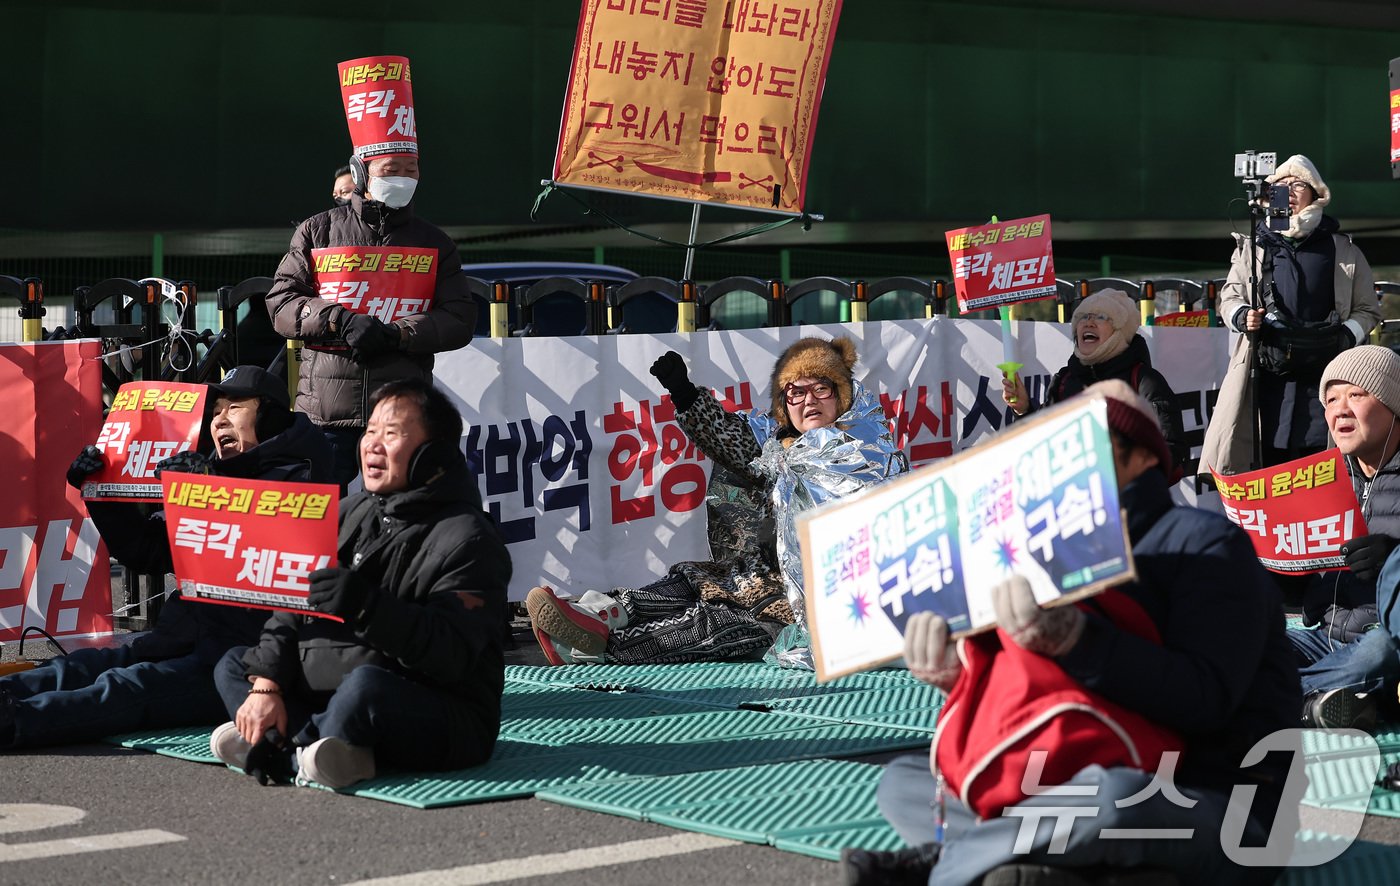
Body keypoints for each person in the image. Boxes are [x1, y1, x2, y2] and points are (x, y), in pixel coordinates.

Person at [847, 379, 1302, 886]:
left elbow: (1206, 698)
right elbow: (1043, 703)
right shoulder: (1033, 554)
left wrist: (1073, 640)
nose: (1064, 471)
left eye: (1084, 449)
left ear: (1145, 458)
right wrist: (960, 675)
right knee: (902, 784)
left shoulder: (1206, 544)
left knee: (1111, 802)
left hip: (1213, 795)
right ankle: (1059, 864)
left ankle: (948, 867)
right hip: (1069, 779)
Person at [0, 366, 332, 750]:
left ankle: (12, 722)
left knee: (125, 688)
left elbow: (264, 556)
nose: (219, 420)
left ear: (270, 417)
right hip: (183, 634)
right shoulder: (212, 468)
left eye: (234, 408)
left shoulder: (306, 482)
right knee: (86, 667)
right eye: (216, 411)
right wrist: (100, 493)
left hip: (240, 657)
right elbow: (147, 552)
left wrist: (207, 492)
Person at [526, 336, 909, 668]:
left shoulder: (867, 449)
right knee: (691, 580)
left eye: (821, 388)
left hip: (813, 603)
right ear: (784, 403)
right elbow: (736, 442)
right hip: (762, 572)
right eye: (795, 390)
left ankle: (596, 648)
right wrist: (686, 395)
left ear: (841, 395)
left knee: (719, 624)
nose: (808, 400)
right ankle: (594, 614)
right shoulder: (780, 445)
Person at [210, 378, 511, 789]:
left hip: (436, 708)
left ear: (432, 452)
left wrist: (368, 607)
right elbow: (290, 608)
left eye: (392, 434)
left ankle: (281, 747)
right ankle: (327, 750)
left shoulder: (470, 538)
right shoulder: (347, 511)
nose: (372, 444)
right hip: (337, 679)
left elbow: (450, 655)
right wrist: (267, 687)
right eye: (370, 430)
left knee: (366, 689)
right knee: (235, 664)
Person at [265, 56, 476, 490]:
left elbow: (459, 319)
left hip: (402, 418)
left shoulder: (435, 243)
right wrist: (340, 319)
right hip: (324, 416)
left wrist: (398, 334)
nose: (402, 178)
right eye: (390, 170)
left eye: (410, 170)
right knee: (326, 526)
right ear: (361, 173)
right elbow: (282, 304)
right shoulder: (317, 231)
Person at [1200, 154, 1380, 477]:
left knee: (1324, 468)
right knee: (1268, 462)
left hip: (1325, 383)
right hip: (1268, 382)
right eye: (1281, 186)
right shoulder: (1254, 246)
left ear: (1316, 193)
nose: (1290, 191)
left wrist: (1345, 336)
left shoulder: (1343, 248)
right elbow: (1229, 296)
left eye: (1298, 184)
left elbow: (1368, 308)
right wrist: (1243, 317)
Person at [1282, 345, 1400, 729]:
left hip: (1384, 641)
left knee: (1380, 652)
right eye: (1331, 398)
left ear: (1392, 404)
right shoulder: (1319, 477)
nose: (1340, 409)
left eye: (1356, 394)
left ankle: (1278, 699)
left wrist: (1393, 556)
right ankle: (1322, 698)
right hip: (1323, 635)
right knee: (1243, 640)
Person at [1002, 288, 1187, 478]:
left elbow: (1171, 449)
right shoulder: (1064, 380)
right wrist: (1023, 410)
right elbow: (1041, 444)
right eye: (1083, 317)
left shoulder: (1144, 380)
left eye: (1101, 316)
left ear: (1119, 331)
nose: (1088, 322)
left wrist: (1123, 478)